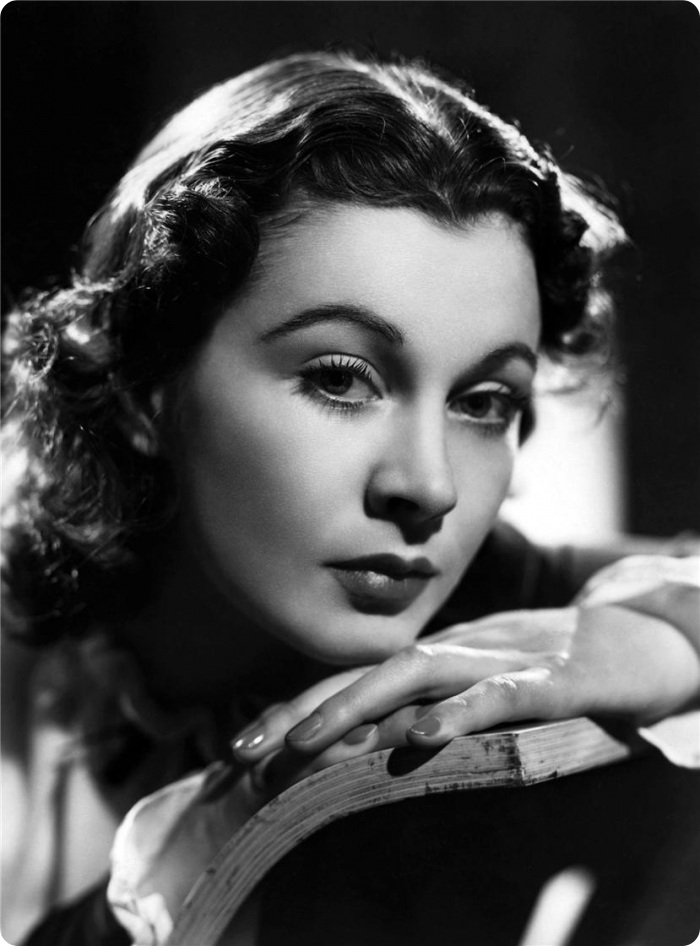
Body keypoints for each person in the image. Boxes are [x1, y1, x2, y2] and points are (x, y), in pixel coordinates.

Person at [2, 50, 698, 946]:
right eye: (339, 378)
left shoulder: (492, 618)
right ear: (142, 385)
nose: (428, 487)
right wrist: (222, 841)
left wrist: (667, 639)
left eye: (484, 402)